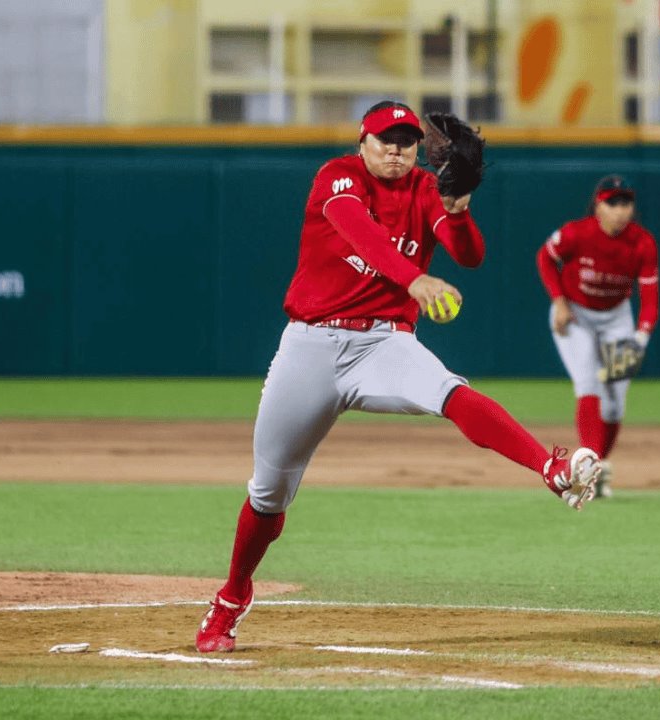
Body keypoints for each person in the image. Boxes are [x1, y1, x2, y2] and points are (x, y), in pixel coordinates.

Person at [195, 101, 601, 654]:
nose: (397, 149)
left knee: (450, 391)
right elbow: (359, 232)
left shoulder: (426, 191)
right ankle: (232, 596)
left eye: (408, 141)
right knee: (268, 495)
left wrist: (457, 210)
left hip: (384, 342)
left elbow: (470, 255)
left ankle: (549, 466)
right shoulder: (337, 175)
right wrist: (414, 279)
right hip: (311, 345)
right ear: (363, 140)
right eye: (386, 139)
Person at [536, 174, 660, 500]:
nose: (620, 210)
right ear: (598, 206)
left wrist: (642, 336)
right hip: (575, 315)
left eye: (626, 203)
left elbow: (650, 299)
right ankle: (587, 468)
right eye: (612, 202)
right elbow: (545, 258)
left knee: (616, 403)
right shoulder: (578, 233)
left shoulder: (642, 243)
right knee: (588, 383)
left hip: (617, 319)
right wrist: (559, 302)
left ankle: (599, 467)